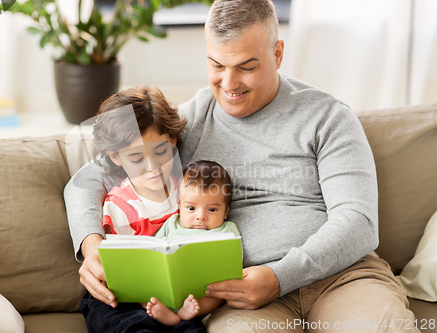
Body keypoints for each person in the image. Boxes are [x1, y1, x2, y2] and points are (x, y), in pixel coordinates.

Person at [65, 0, 419, 331]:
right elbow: (86, 180)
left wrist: (280, 276)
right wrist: (91, 246)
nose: (229, 84)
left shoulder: (327, 117)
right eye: (217, 66)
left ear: (278, 54)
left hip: (343, 278)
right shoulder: (192, 118)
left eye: (247, 67)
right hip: (239, 297)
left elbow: (359, 223)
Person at [79, 86, 207, 332]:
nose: (153, 167)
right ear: (115, 157)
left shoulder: (188, 193)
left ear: (173, 140)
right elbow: (121, 273)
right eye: (136, 159)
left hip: (175, 295)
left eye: (161, 151)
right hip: (122, 297)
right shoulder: (118, 206)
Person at [146, 160, 240, 326]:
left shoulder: (227, 230)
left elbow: (234, 259)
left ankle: (184, 314)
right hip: (167, 283)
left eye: (212, 210)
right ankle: (164, 311)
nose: (200, 216)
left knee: (217, 295)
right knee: (143, 289)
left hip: (203, 289)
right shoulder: (172, 223)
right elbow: (154, 246)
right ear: (179, 205)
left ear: (226, 211)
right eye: (191, 208)